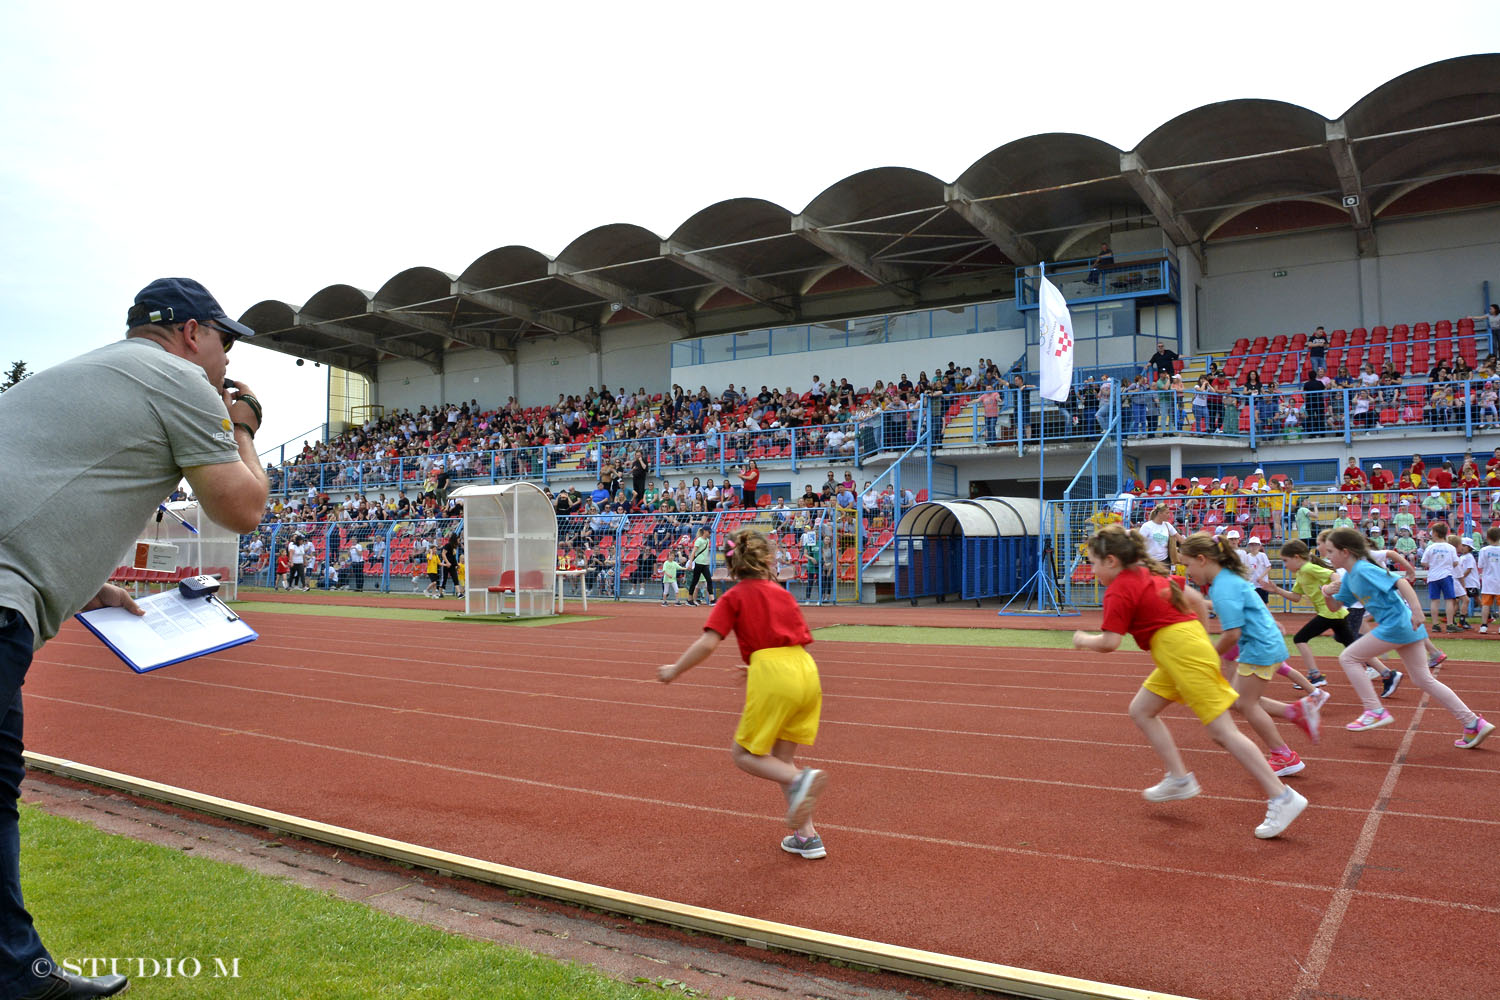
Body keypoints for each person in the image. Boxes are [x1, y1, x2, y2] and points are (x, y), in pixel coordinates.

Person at [0, 277, 268, 1000]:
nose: (225, 357)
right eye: (224, 340)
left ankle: (17, 974)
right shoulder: (179, 378)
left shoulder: (86, 373)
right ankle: (17, 977)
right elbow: (241, 507)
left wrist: (84, 582)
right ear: (189, 333)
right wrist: (240, 421)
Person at [1071, 526, 1307, 838]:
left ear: (1112, 560)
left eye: (1094, 563)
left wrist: (1083, 639)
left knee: (1222, 732)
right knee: (1142, 709)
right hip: (1180, 650)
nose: (1093, 570)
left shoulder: (1118, 588)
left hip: (1179, 652)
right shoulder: (1149, 573)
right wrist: (1198, 636)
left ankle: (1283, 796)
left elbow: (1109, 642)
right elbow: (1195, 599)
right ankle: (1179, 778)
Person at [657, 528, 830, 858]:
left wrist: (674, 670)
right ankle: (807, 836)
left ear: (732, 565)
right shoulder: (783, 593)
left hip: (773, 674)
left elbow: (709, 642)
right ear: (767, 559)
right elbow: (789, 640)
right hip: (805, 671)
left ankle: (800, 780)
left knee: (744, 755)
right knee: (781, 758)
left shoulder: (733, 597)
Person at [1322, 527, 1492, 746]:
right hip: (1404, 626)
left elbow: (1400, 582)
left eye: (1330, 551)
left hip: (1397, 625)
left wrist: (1417, 610)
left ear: (1344, 552)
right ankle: (1473, 723)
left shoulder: (1363, 569)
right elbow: (1336, 607)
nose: (1327, 557)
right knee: (1423, 679)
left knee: (1349, 657)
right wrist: (1326, 591)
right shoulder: (1349, 578)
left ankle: (1374, 710)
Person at [1180, 533, 1320, 772]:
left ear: (1202, 559)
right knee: (1240, 699)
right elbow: (1252, 605)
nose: (1187, 572)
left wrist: (1209, 658)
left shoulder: (1222, 587)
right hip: (1262, 644)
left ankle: (1284, 756)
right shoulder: (1229, 579)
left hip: (1259, 647)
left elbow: (1232, 634)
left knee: (1246, 704)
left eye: (1187, 565)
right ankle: (1295, 711)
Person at [1266, 540, 1351, 688]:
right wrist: (1277, 590)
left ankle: (1315, 675)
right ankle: (1387, 673)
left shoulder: (1308, 568)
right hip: (1336, 613)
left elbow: (1333, 574)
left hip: (1328, 612)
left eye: (1285, 561)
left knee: (1300, 638)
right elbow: (1296, 597)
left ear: (1297, 557)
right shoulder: (1301, 574)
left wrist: (1333, 586)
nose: (1284, 565)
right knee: (1352, 645)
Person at [1421, 521, 1460, 631]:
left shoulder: (1430, 547)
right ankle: (1450, 624)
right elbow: (1456, 562)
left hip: (1433, 576)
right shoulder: (1450, 548)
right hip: (1446, 575)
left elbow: (1423, 562)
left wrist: (1433, 564)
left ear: (1436, 533)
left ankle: (1435, 625)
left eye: (1432, 532)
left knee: (1434, 600)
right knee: (1449, 600)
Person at [1477, 526, 1500, 633]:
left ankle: (1484, 626)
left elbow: (1480, 565)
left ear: (1488, 537)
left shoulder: (1484, 550)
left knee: (1486, 605)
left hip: (1488, 581)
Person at [685, 526, 713, 606]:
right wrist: (690, 562)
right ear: (704, 531)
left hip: (704, 563)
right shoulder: (699, 540)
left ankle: (712, 599)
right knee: (695, 581)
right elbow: (693, 552)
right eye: (709, 532)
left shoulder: (707, 540)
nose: (710, 533)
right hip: (698, 563)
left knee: (709, 580)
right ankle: (690, 599)